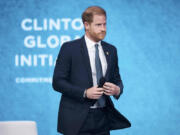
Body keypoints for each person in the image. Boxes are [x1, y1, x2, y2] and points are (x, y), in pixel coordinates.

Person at [52, 6, 131, 135]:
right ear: (86, 25)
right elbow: (58, 82)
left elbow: (117, 79)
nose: (103, 29)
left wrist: (118, 89)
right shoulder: (69, 48)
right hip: (76, 119)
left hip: (103, 117)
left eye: (105, 24)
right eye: (98, 25)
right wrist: (84, 92)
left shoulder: (111, 50)